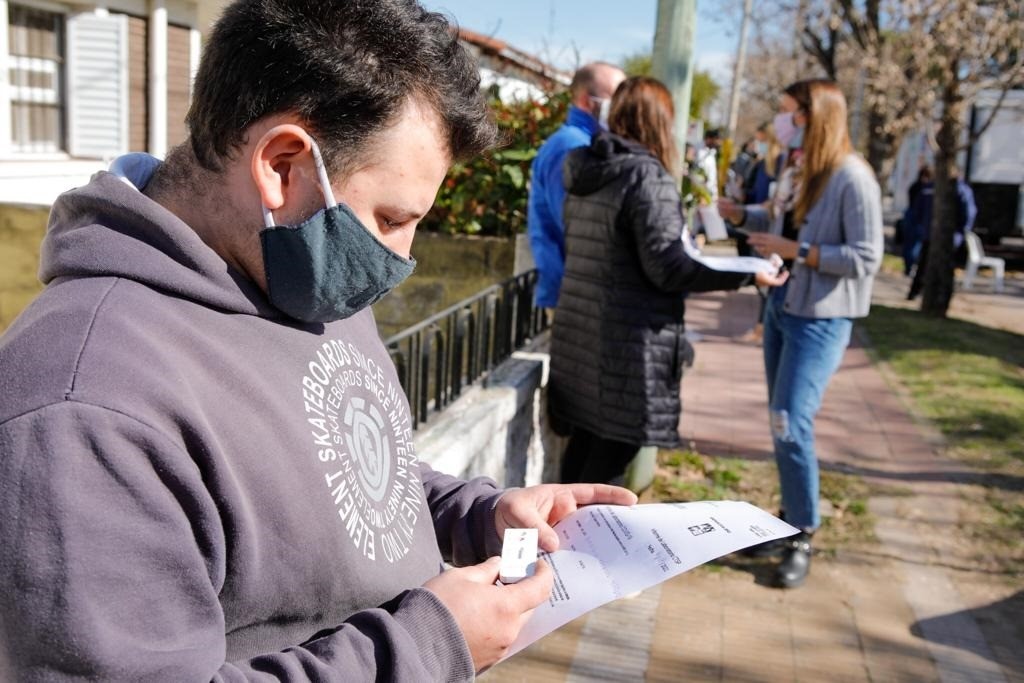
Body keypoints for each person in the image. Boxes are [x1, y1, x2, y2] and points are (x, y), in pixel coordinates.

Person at [0, 1, 638, 679]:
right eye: (391, 217)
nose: (404, 255)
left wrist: (476, 513)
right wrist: (426, 646)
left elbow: (346, 471)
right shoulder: (81, 407)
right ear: (281, 164)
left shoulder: (294, 267)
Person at [549, 76, 788, 486]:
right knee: (605, 474)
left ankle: (551, 548)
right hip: (628, 350)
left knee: (584, 456)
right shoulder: (647, 176)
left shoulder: (588, 170)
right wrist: (750, 276)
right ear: (661, 122)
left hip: (585, 343)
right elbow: (669, 268)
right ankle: (576, 552)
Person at [718, 79, 883, 589]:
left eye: (790, 113)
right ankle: (788, 518)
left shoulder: (853, 178)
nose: (781, 121)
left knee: (792, 421)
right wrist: (740, 214)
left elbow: (866, 257)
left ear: (816, 117)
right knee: (779, 420)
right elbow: (778, 215)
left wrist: (800, 252)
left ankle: (803, 531)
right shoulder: (798, 169)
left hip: (822, 318)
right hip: (784, 308)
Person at [527, 62, 626, 309]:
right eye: (615, 97)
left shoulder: (589, 142)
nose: (624, 106)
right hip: (571, 291)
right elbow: (575, 222)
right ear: (586, 100)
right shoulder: (571, 147)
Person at [906, 166, 977, 300]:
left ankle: (916, 293)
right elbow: (968, 213)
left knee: (924, 265)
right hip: (949, 237)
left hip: (930, 234)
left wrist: (921, 228)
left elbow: (916, 211)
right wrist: (962, 231)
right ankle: (938, 296)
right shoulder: (960, 189)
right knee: (943, 267)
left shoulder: (929, 187)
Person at [901, 165, 934, 276]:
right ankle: (911, 267)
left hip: (911, 217)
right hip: (916, 219)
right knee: (914, 246)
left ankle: (909, 267)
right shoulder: (925, 189)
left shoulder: (915, 186)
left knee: (910, 245)